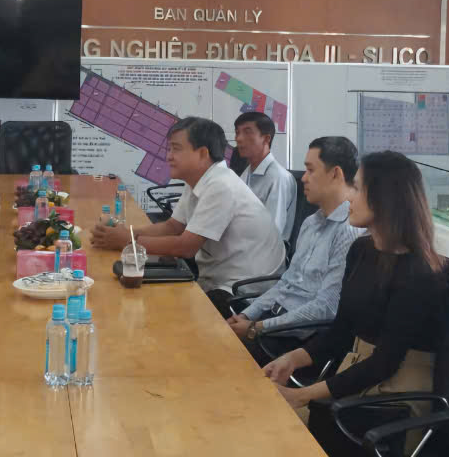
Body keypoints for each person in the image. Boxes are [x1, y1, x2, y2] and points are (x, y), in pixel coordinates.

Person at [261, 151, 447, 455]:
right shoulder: (361, 250)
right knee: (270, 418)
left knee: (276, 429)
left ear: (384, 198)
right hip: (357, 384)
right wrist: (292, 359)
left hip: (393, 404)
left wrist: (302, 395)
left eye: (358, 188)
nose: (349, 197)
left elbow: (384, 363)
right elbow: (341, 331)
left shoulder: (420, 274)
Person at [90, 117, 285, 318]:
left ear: (202, 153)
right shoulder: (199, 180)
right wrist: (126, 234)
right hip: (220, 279)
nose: (169, 156)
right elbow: (173, 227)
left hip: (245, 293)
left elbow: (186, 247)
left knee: (161, 313)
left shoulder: (221, 186)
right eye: (169, 149)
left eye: (176, 149)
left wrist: (128, 241)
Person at [226, 136, 363, 360]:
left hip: (301, 338)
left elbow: (326, 308)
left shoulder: (348, 231)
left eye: (310, 170)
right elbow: (286, 283)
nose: (304, 178)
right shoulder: (311, 222)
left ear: (335, 173)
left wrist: (257, 327)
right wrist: (247, 315)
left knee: (222, 355)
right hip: (274, 323)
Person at [234, 112, 297, 240]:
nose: (238, 139)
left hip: (265, 249)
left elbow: (272, 232)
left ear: (266, 139)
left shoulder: (278, 177)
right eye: (237, 132)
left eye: (247, 132)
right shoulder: (246, 173)